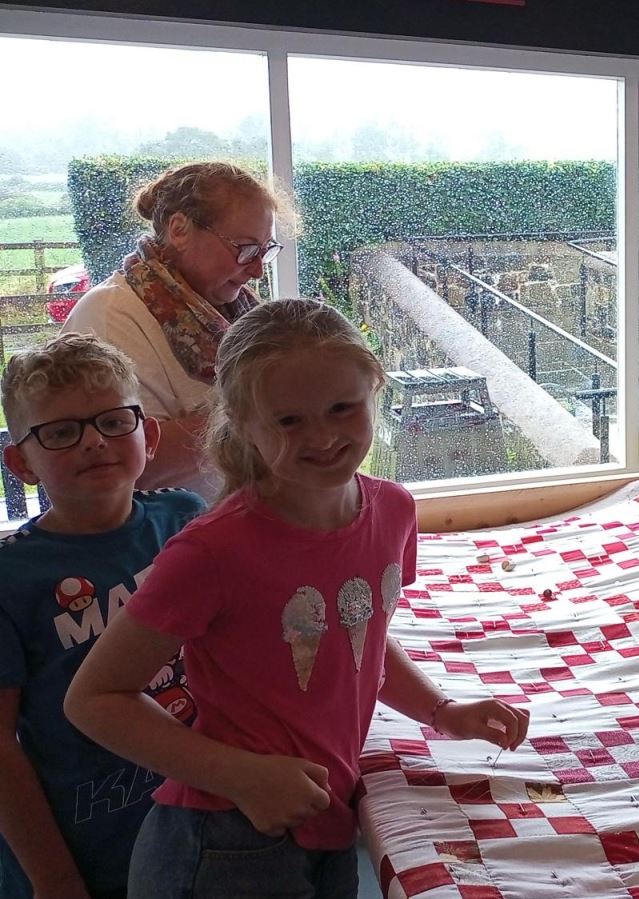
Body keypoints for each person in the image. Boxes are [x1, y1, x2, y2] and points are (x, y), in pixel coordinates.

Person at [63, 300, 530, 899]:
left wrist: (440, 711)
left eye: (342, 408)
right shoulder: (213, 551)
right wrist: (243, 777)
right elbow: (94, 698)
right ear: (242, 425)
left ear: (374, 392)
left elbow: (356, 635)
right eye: (288, 421)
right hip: (222, 838)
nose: (324, 436)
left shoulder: (393, 511)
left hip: (322, 814)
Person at [0, 334, 206, 898]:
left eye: (114, 421)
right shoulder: (10, 579)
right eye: (61, 432)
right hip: (82, 850)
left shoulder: (187, 522)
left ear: (149, 434)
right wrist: (54, 880)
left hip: (198, 815)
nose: (93, 442)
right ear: (21, 461)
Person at [63, 161, 289, 500]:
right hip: (163, 539)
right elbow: (126, 464)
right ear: (179, 230)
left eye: (264, 251)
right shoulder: (108, 317)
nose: (257, 270)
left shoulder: (236, 310)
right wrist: (268, 403)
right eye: (244, 249)